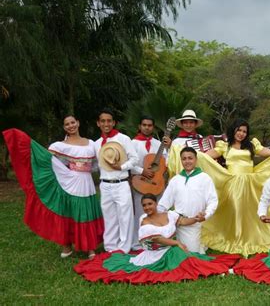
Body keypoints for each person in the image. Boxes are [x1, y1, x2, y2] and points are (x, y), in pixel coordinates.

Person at [167, 119, 270, 256]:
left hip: (250, 184)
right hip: (232, 183)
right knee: (235, 211)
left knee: (249, 213)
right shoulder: (224, 146)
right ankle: (234, 238)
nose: (241, 134)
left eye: (244, 131)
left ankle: (250, 237)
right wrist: (181, 151)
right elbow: (205, 156)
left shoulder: (252, 145)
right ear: (234, 130)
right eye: (239, 130)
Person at [74, 195, 240, 284]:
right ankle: (217, 270)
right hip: (155, 254)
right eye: (144, 205)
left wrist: (196, 218)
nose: (147, 208)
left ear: (155, 203)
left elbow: (183, 221)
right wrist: (176, 242)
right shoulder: (144, 221)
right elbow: (157, 239)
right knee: (182, 256)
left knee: (188, 256)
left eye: (150, 204)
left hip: (170, 249)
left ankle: (214, 268)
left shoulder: (169, 214)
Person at [2, 118, 104, 259]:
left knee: (86, 212)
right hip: (68, 181)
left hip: (86, 182)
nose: (70, 126)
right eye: (67, 124)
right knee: (68, 212)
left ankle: (90, 247)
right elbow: (47, 160)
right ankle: (67, 246)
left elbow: (95, 165)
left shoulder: (91, 144)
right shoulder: (60, 146)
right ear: (64, 127)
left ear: (78, 123)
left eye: (72, 122)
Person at [158, 147, 218, 253]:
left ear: (196, 160)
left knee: (190, 255)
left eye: (190, 158)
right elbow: (163, 203)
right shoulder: (175, 180)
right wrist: (155, 218)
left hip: (193, 223)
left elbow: (213, 201)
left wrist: (206, 215)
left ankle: (200, 247)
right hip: (175, 223)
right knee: (165, 253)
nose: (187, 161)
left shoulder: (204, 178)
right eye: (184, 159)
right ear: (181, 160)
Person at [94, 108, 138, 253]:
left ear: (114, 123)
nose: (106, 124)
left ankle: (124, 248)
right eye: (103, 121)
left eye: (109, 121)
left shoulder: (123, 139)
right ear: (98, 123)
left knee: (125, 217)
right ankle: (110, 247)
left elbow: (134, 159)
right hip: (105, 185)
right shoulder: (97, 143)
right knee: (109, 216)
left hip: (121, 183)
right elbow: (97, 164)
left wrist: (121, 167)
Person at [130, 115, 166, 250]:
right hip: (140, 183)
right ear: (139, 126)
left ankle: (158, 240)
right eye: (144, 125)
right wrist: (141, 171)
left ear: (153, 127)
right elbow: (127, 162)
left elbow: (165, 162)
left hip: (156, 184)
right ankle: (137, 243)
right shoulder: (132, 143)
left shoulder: (158, 144)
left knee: (157, 212)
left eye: (150, 125)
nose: (147, 127)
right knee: (140, 213)